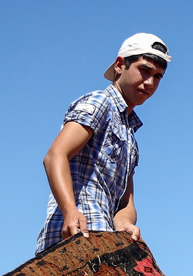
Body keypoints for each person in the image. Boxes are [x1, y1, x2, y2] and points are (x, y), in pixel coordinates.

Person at [35, 33, 171, 254]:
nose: (150, 82)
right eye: (144, 71)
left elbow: (126, 202)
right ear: (120, 65)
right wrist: (70, 210)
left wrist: (124, 225)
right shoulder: (100, 103)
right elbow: (55, 156)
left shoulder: (131, 138)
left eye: (158, 76)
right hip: (73, 236)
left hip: (104, 239)